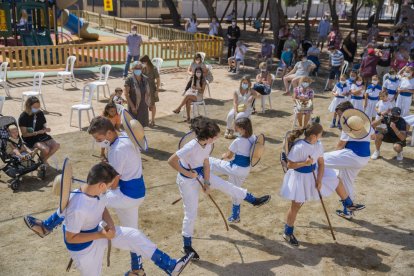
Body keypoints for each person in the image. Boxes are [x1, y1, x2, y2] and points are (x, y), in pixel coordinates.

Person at [23, 117, 151, 275]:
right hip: (137, 191)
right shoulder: (124, 136)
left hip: (125, 194)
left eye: (98, 138)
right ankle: (137, 270)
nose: (98, 141)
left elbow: (114, 183)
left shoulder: (117, 150)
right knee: (132, 231)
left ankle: (47, 226)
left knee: (80, 196)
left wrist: (97, 182)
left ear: (109, 133)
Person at [60, 162, 194, 276]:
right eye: (110, 185)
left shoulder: (94, 190)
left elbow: (101, 207)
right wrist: (100, 234)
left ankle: (170, 266)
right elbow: (70, 238)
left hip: (99, 232)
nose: (111, 188)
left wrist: (111, 226)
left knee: (134, 236)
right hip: (83, 249)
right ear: (101, 185)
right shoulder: (77, 207)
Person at [167, 116, 271, 260]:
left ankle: (253, 200)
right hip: (187, 181)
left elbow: (206, 163)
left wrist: (208, 183)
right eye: (215, 136)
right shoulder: (191, 145)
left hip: (202, 173)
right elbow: (171, 160)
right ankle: (186, 246)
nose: (217, 137)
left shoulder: (208, 145)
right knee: (191, 213)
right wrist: (187, 173)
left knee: (226, 186)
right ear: (207, 137)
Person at [280, 123, 365, 246]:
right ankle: (287, 232)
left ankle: (349, 204)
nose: (322, 136)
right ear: (314, 136)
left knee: (335, 179)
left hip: (314, 173)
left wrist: (319, 180)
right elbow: (290, 165)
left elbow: (321, 163)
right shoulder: (299, 147)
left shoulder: (318, 145)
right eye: (320, 134)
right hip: (299, 178)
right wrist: (305, 163)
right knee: (296, 206)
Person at [324, 103, 375, 206]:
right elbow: (373, 137)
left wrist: (336, 161)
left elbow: (340, 146)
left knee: (320, 159)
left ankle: (295, 163)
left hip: (353, 156)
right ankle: (348, 210)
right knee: (346, 182)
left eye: (340, 114)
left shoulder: (349, 124)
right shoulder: (362, 122)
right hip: (364, 158)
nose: (339, 117)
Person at [210, 117, 257, 222]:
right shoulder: (254, 138)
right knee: (236, 190)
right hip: (245, 169)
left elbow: (229, 156)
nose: (234, 127)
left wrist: (224, 155)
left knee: (211, 161)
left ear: (243, 129)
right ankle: (235, 216)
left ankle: (201, 176)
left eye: (237, 126)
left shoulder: (237, 141)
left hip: (236, 168)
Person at [19, 96, 60, 164]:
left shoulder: (40, 113)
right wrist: (37, 132)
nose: (37, 109)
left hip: (41, 135)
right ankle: (42, 161)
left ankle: (42, 160)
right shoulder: (23, 117)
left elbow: (43, 125)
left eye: (38, 107)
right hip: (30, 138)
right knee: (46, 149)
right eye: (35, 107)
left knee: (56, 145)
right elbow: (25, 134)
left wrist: (45, 129)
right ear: (29, 106)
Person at [124, 62, 150, 127]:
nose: (138, 70)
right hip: (134, 107)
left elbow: (148, 93)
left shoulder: (145, 79)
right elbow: (126, 94)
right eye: (136, 68)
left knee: (142, 127)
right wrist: (132, 107)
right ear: (132, 69)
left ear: (142, 69)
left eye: (140, 68)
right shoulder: (129, 80)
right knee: (134, 127)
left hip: (143, 106)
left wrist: (150, 104)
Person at [140, 55, 160, 127]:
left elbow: (158, 80)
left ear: (146, 61)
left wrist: (157, 90)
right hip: (144, 88)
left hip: (151, 88)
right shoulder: (143, 68)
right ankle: (146, 120)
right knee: (144, 104)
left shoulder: (154, 68)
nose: (142, 63)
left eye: (143, 62)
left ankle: (153, 120)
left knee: (152, 105)